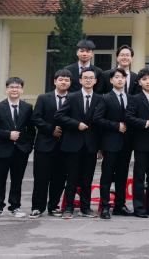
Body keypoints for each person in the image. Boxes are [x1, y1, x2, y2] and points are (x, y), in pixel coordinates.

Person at [56, 67, 102, 219]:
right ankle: (68, 207)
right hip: (73, 144)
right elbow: (59, 116)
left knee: (87, 179)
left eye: (91, 78)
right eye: (85, 78)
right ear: (80, 80)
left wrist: (100, 147)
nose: (88, 80)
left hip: (91, 145)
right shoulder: (72, 97)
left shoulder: (100, 98)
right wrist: (76, 124)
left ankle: (85, 208)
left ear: (95, 81)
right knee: (72, 178)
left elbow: (100, 123)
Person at [0, 77, 35, 219]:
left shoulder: (27, 107)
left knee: (17, 180)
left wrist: (28, 147)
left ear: (22, 90)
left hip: (21, 151)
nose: (14, 89)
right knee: (0, 180)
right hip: (2, 150)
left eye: (17, 87)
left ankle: (15, 206)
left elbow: (31, 130)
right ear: (7, 89)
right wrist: (8, 135)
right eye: (11, 87)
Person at [29, 69, 70, 218]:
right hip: (44, 145)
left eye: (66, 80)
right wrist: (51, 129)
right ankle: (37, 207)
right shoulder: (43, 98)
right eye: (61, 79)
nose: (63, 82)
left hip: (65, 145)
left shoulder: (73, 98)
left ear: (70, 83)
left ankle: (53, 206)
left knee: (59, 178)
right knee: (41, 178)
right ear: (55, 81)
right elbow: (36, 118)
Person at [94, 68, 133, 219]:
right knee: (107, 176)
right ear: (111, 80)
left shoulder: (130, 98)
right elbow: (97, 119)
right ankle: (105, 206)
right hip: (110, 143)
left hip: (126, 144)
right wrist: (116, 126)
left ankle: (120, 205)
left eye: (122, 77)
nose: (120, 79)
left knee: (122, 176)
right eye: (116, 77)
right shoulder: (105, 98)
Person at [126, 68, 149, 217]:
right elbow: (129, 117)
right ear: (140, 82)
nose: (148, 82)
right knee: (139, 177)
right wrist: (145, 123)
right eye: (144, 79)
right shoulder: (134, 99)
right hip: (141, 143)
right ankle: (139, 208)